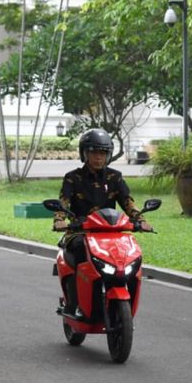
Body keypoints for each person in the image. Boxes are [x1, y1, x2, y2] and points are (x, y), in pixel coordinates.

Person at [52, 128, 152, 316]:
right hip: (80, 232)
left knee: (129, 254)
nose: (98, 157)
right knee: (79, 251)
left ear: (108, 155)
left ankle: (122, 297)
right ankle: (75, 304)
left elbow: (128, 202)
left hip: (110, 233)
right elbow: (62, 202)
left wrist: (141, 220)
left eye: (103, 153)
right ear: (84, 153)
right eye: (93, 152)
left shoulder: (115, 177)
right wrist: (59, 220)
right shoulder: (73, 178)